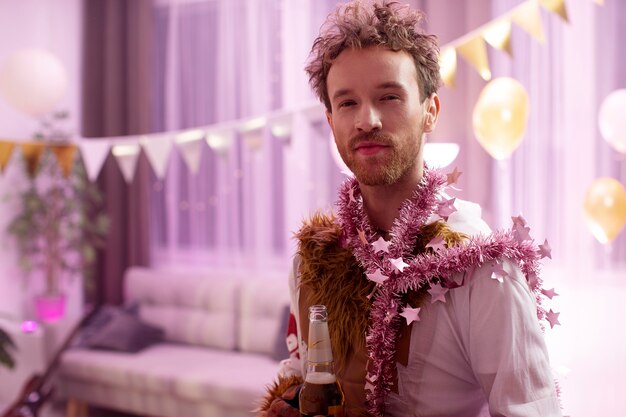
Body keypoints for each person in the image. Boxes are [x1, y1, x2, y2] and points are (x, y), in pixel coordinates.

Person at [258, 1, 562, 416]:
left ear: (430, 111)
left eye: (389, 96)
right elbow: (305, 370)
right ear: (330, 123)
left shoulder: (482, 268)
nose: (367, 120)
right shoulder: (313, 261)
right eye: (347, 103)